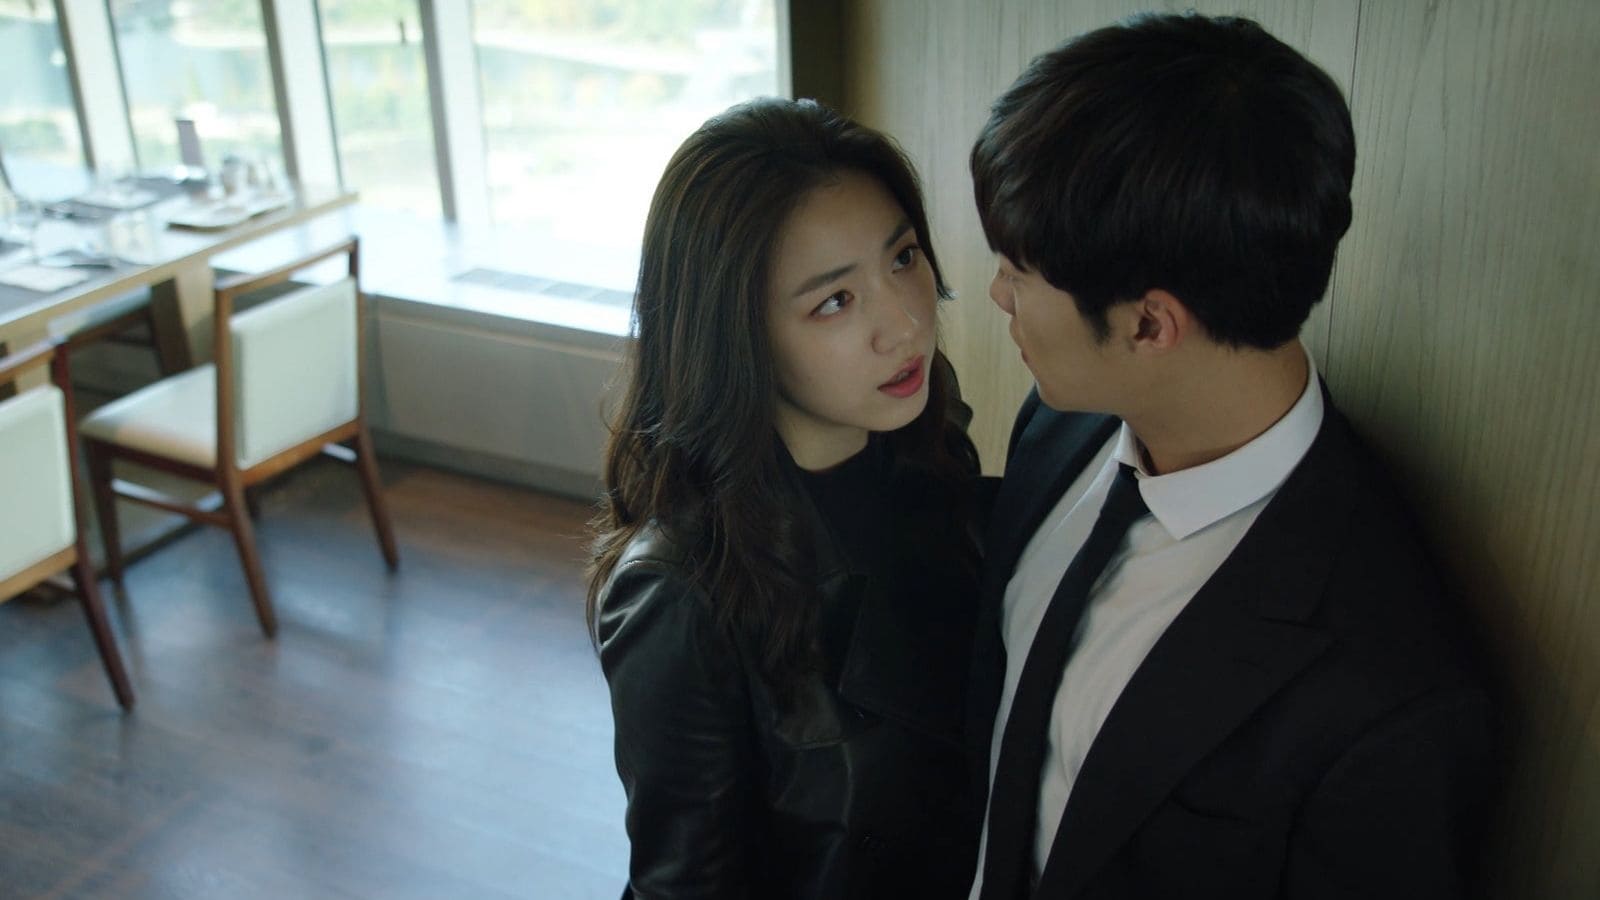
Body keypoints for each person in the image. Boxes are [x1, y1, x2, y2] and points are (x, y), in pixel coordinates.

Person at [965, 13, 1494, 900]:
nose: (997, 293)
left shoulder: (1388, 692)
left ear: (1149, 324)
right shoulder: (1058, 426)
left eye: (1019, 270)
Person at [588, 97, 985, 899]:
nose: (905, 325)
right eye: (834, 301)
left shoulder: (935, 447)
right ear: (735, 334)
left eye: (903, 257)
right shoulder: (681, 594)